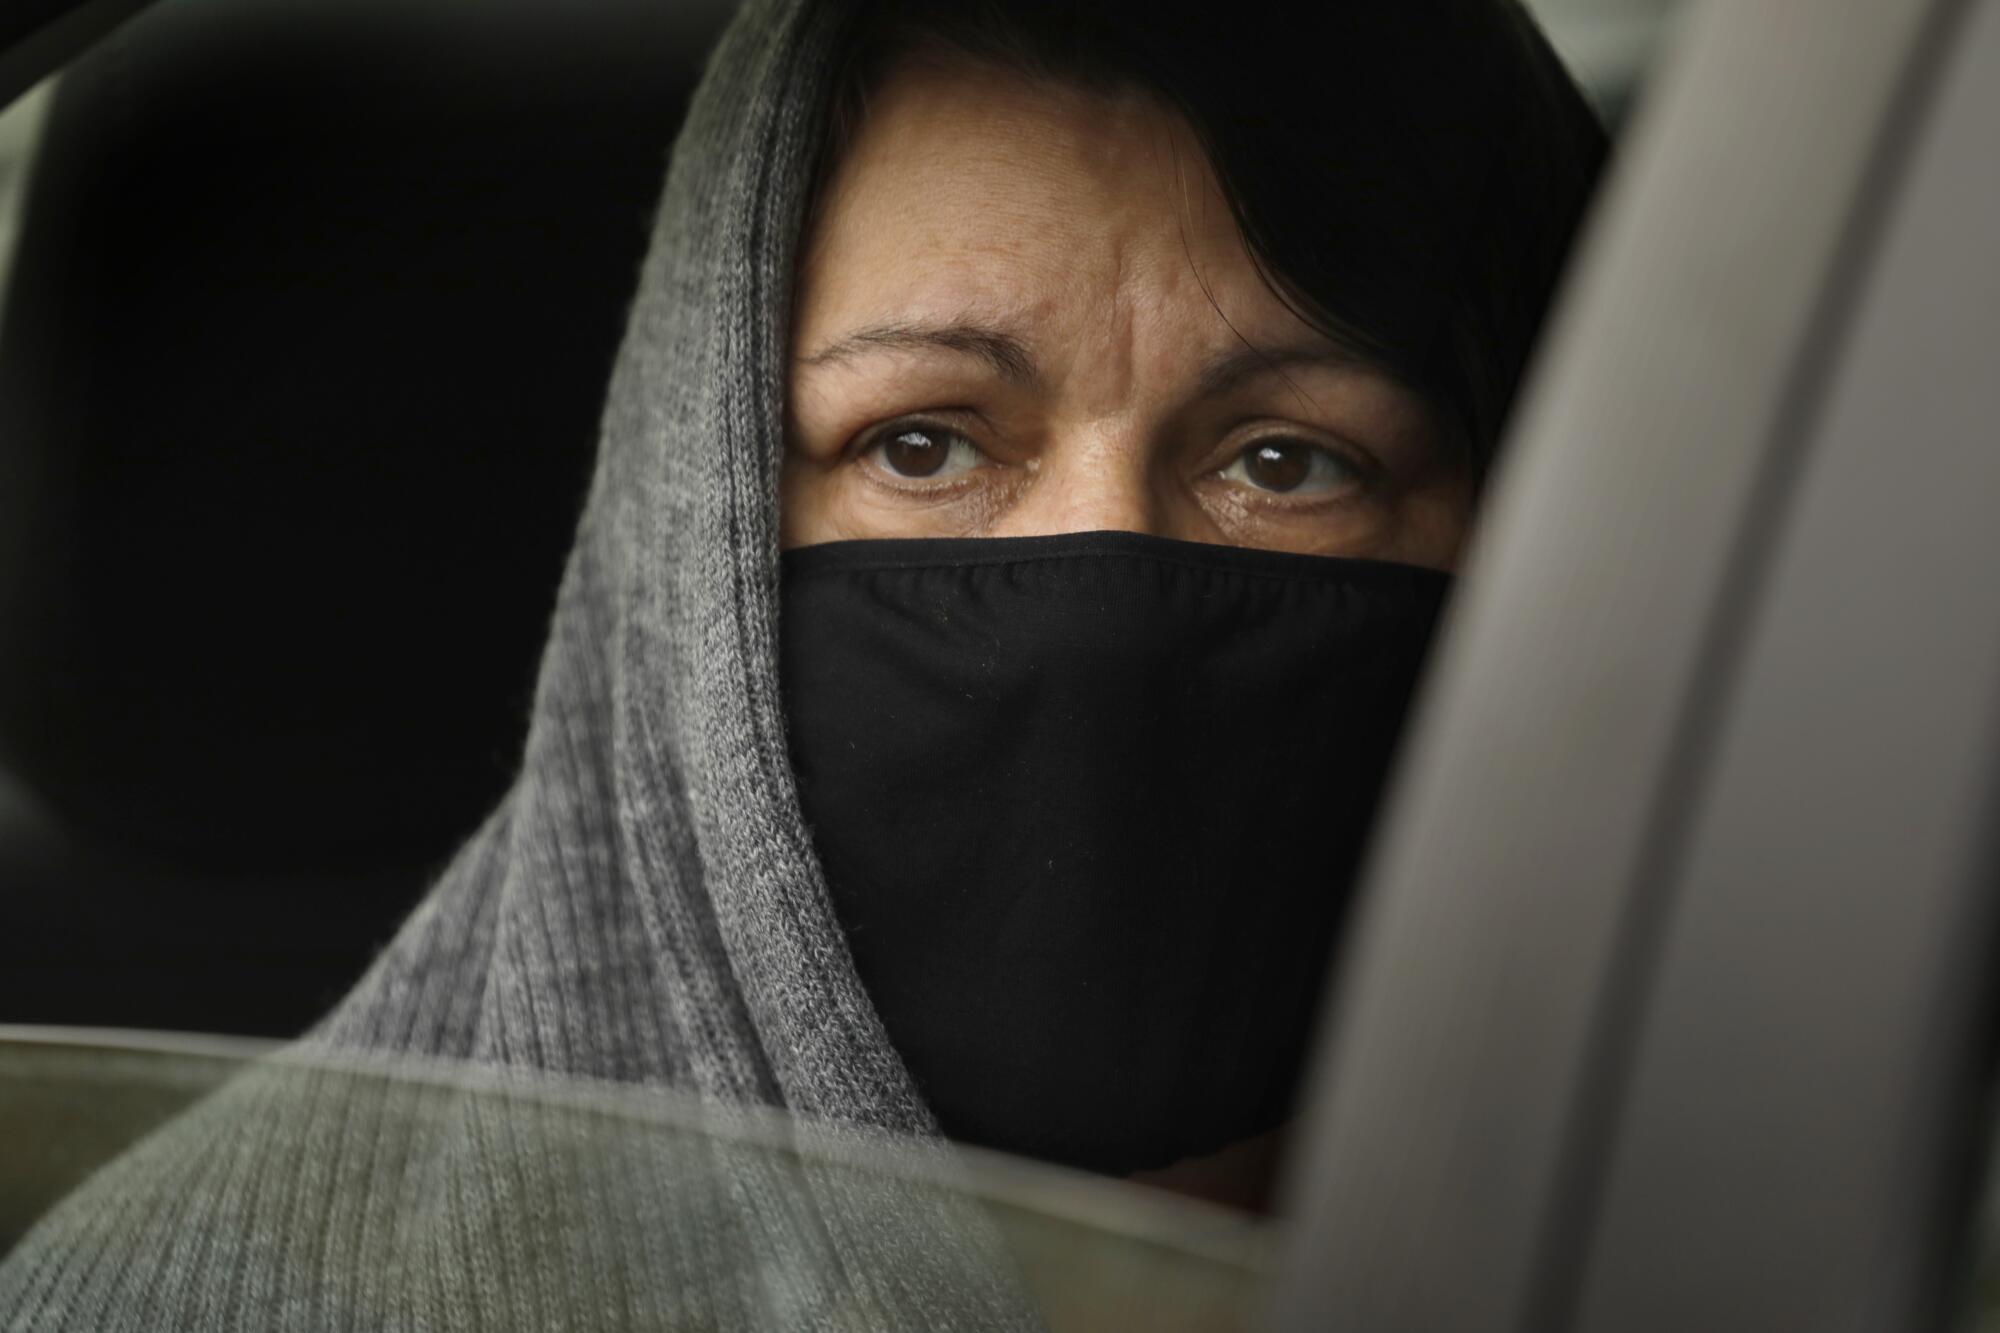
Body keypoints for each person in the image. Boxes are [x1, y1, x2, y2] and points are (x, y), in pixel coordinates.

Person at [0, 0, 1603, 1326]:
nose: (1097, 578)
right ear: (689, 538)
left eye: (1287, 462)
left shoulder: (1753, 1218)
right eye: (922, 442)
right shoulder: (197, 1294)